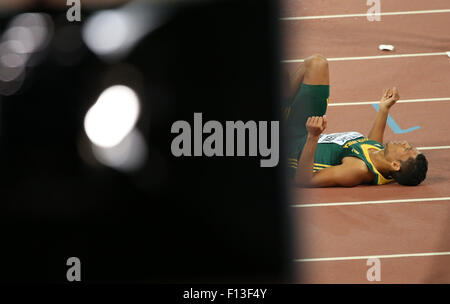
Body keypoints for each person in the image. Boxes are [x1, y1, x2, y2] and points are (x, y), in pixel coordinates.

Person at [284, 54, 428, 187]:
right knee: (316, 64)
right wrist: (384, 109)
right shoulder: (378, 156)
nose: (405, 143)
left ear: (395, 165)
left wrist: (313, 137)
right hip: (301, 129)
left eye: (407, 149)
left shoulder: (356, 170)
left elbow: (304, 181)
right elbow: (371, 144)